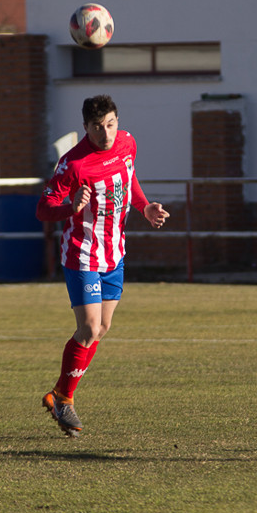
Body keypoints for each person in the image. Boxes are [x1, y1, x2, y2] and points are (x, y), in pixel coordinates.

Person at [36, 94, 169, 436]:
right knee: (91, 329)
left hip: (114, 253)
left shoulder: (127, 143)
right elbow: (43, 209)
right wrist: (70, 208)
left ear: (117, 121)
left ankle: (59, 394)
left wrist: (144, 208)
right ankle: (65, 400)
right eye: (97, 127)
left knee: (102, 329)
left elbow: (129, 180)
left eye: (110, 124)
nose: (106, 133)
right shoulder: (73, 164)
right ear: (85, 127)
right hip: (82, 254)